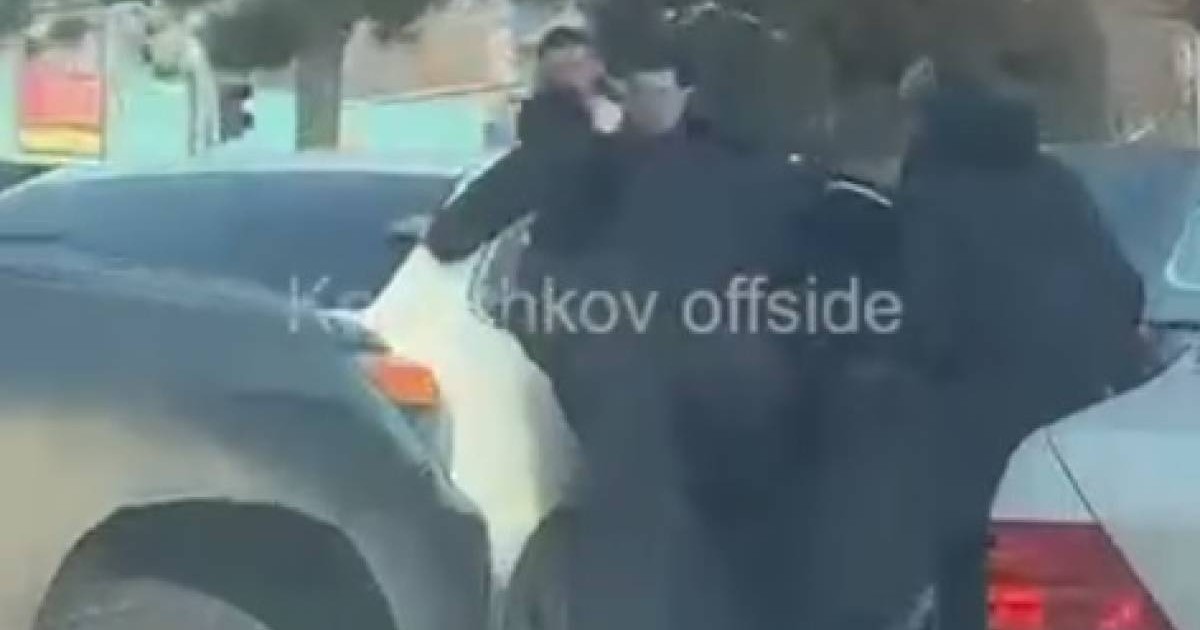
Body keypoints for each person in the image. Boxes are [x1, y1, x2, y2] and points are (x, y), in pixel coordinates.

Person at [900, 66, 1145, 630]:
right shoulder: (1058, 183)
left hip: (966, 437)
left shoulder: (932, 196)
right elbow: (1122, 288)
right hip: (1063, 423)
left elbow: (928, 322)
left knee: (969, 584)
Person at [424, 26, 619, 263]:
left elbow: (449, 234)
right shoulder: (555, 154)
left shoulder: (550, 153)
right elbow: (451, 234)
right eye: (575, 66)